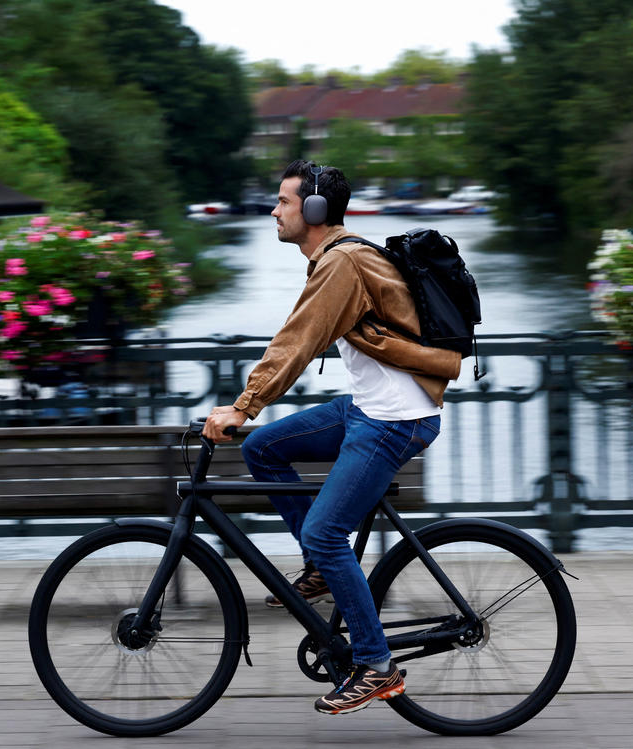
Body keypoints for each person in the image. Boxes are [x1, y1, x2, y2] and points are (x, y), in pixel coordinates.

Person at [203, 160, 461, 715]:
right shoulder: (336, 259)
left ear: (315, 211)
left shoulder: (342, 262)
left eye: (283, 202)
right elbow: (303, 338)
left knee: (323, 531)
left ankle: (375, 665)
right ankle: (323, 570)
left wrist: (242, 406)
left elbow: (294, 344)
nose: (274, 210)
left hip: (394, 418)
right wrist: (251, 419)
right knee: (263, 448)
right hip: (369, 407)